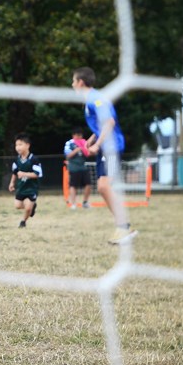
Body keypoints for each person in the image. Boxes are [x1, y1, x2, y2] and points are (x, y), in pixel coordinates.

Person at [72, 67, 138, 244]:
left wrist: (98, 145)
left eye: (73, 81)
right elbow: (101, 125)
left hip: (112, 146)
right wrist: (91, 139)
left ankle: (124, 227)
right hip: (105, 146)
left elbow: (109, 122)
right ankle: (123, 227)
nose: (72, 85)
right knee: (102, 187)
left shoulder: (96, 99)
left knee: (104, 186)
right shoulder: (91, 100)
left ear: (80, 82)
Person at [8, 133, 42, 228]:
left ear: (27, 145)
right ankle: (32, 206)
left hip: (32, 188)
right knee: (18, 206)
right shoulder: (17, 160)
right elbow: (15, 173)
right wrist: (12, 183)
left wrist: (24, 174)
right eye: (16, 145)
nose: (18, 147)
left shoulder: (33, 159)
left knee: (27, 208)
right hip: (21, 187)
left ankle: (23, 222)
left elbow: (37, 174)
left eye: (20, 145)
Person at [64, 127, 91, 209]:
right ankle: (73, 204)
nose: (79, 137)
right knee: (73, 185)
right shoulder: (69, 143)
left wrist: (84, 149)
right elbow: (68, 155)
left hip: (83, 166)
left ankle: (85, 202)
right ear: (73, 135)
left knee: (88, 184)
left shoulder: (84, 142)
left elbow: (88, 154)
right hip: (73, 168)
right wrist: (76, 150)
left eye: (80, 135)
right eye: (77, 135)